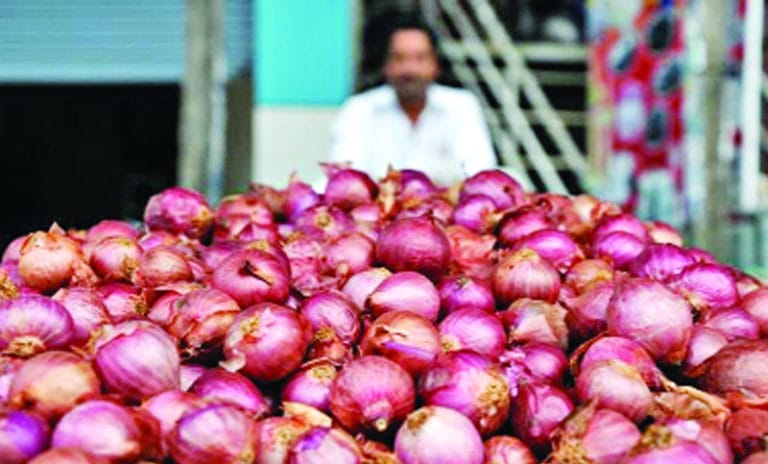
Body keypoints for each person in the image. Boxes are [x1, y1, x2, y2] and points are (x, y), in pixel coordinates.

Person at [328, 15, 498, 187]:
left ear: (435, 65)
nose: (409, 70)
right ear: (386, 65)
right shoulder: (359, 108)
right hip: (379, 207)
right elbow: (344, 177)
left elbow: (479, 171)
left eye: (420, 58)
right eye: (399, 58)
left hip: (447, 207)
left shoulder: (461, 105)